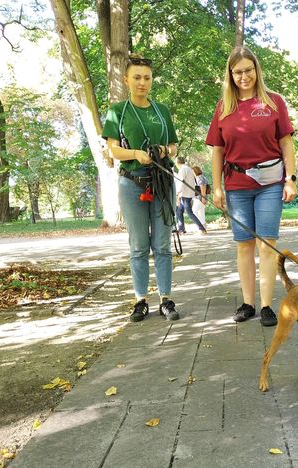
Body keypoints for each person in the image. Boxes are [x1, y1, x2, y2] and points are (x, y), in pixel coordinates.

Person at [205, 46, 297, 327]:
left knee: (267, 245)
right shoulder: (224, 107)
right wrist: (217, 187)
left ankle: (267, 306)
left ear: (257, 70)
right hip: (236, 185)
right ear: (230, 75)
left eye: (248, 70)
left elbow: (286, 143)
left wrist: (291, 178)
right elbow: (217, 150)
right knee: (244, 245)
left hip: (270, 183)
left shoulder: (273, 102)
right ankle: (248, 303)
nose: (244, 76)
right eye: (238, 72)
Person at [101, 54, 180, 322]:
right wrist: (135, 153)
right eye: (137, 77)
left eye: (146, 77)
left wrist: (162, 150)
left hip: (161, 181)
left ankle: (166, 299)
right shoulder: (117, 111)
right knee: (138, 245)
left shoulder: (162, 111)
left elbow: (173, 147)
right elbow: (112, 149)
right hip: (132, 183)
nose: (142, 82)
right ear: (126, 80)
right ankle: (140, 300)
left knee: (162, 244)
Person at [175, 157, 207, 235]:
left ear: (177, 163)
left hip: (185, 194)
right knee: (179, 211)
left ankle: (201, 228)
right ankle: (181, 229)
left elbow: (181, 182)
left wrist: (177, 192)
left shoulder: (182, 169)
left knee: (189, 212)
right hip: (187, 194)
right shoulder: (188, 168)